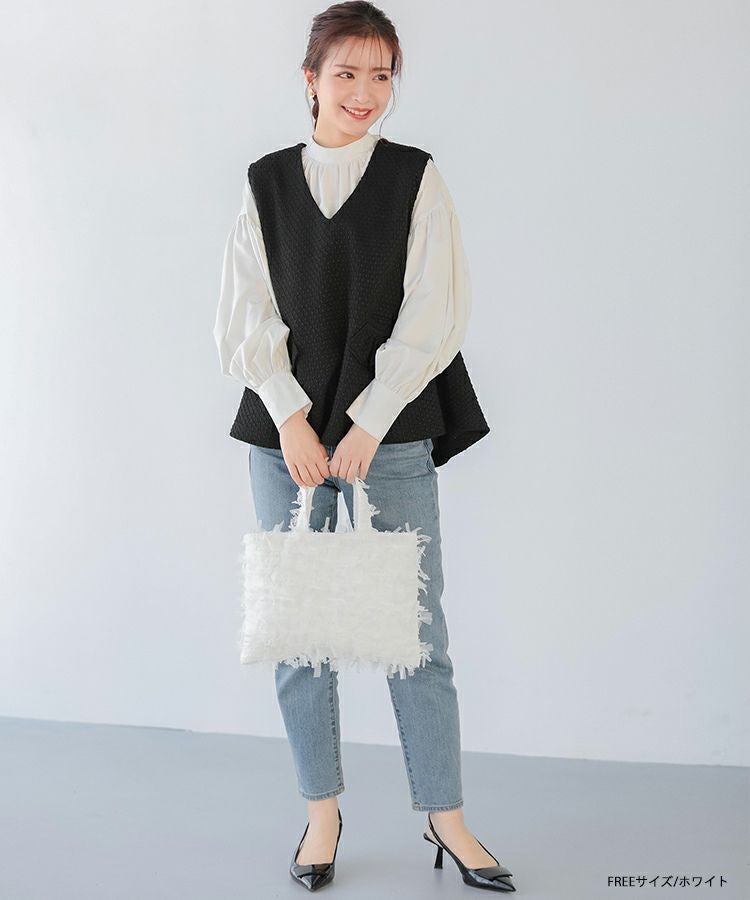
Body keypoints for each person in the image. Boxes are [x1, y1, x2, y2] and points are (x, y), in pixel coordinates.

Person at [214, 2, 516, 892]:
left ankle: (446, 818)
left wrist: (373, 417)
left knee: (417, 632)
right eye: (346, 72)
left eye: (382, 74)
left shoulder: (416, 177)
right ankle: (322, 815)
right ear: (309, 79)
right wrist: (289, 416)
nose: (365, 91)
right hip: (289, 439)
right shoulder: (265, 182)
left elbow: (436, 309)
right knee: (297, 630)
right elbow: (243, 312)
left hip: (390, 433)